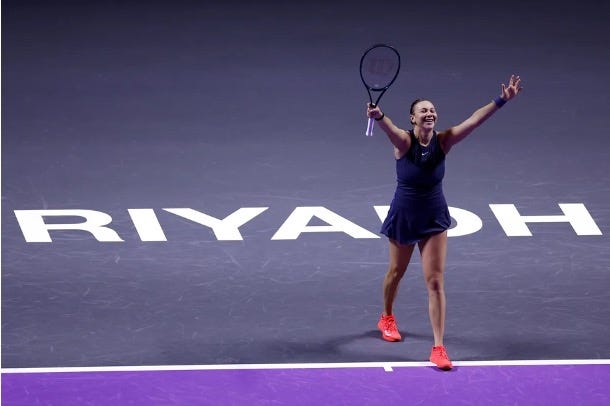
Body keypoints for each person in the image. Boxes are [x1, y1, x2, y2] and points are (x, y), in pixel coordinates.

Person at [366, 75, 523, 370]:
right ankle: (386, 316)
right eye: (423, 110)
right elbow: (390, 130)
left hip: (434, 216)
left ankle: (438, 348)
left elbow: (474, 120)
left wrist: (501, 100)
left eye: (432, 110)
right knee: (396, 272)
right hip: (404, 215)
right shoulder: (404, 141)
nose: (429, 113)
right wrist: (380, 116)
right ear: (413, 118)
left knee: (435, 281)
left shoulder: (444, 141)